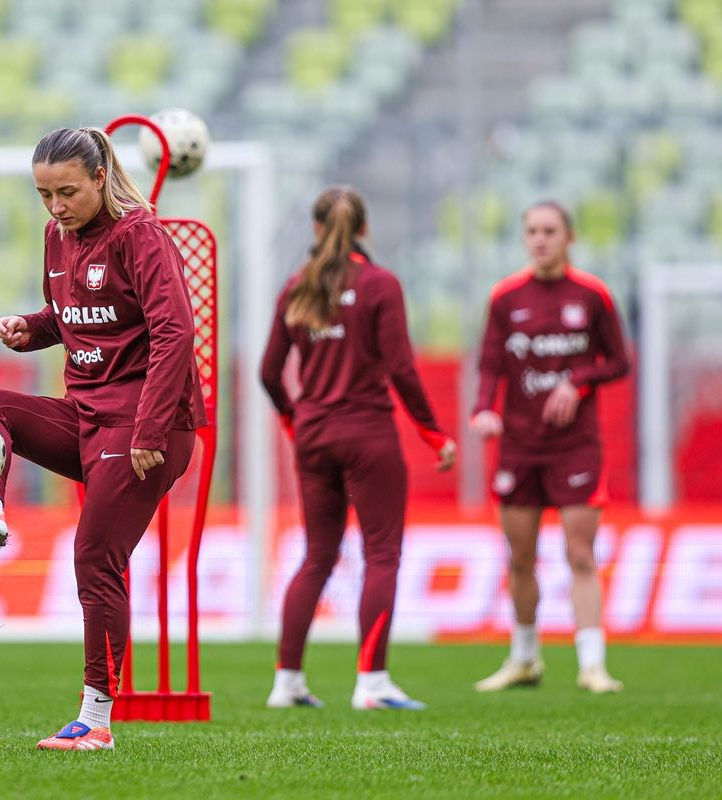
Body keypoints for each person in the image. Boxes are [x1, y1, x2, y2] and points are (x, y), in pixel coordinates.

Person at [0, 127, 205, 751]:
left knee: (96, 558)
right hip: (86, 414)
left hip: (146, 425)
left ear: (100, 177)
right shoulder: (56, 237)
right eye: (44, 195)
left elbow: (174, 333)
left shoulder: (140, 236)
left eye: (67, 192)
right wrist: (29, 327)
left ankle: (96, 719)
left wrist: (149, 426)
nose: (56, 206)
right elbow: (69, 317)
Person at [260, 186, 456, 711]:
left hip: (315, 435)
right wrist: (433, 432)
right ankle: (371, 683)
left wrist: (291, 418)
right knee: (382, 555)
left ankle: (288, 682)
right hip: (368, 434)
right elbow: (401, 367)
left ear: (316, 229)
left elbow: (268, 373)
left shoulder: (296, 287)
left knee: (317, 557)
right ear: (364, 230)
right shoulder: (380, 284)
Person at [470, 201, 629, 694]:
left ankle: (592, 664)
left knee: (580, 552)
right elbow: (491, 363)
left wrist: (577, 381)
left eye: (549, 230)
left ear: (569, 238)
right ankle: (524, 658)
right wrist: (484, 409)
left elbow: (619, 361)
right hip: (518, 445)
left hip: (576, 446)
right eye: (532, 231)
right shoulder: (506, 297)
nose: (540, 239)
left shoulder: (592, 294)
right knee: (520, 557)